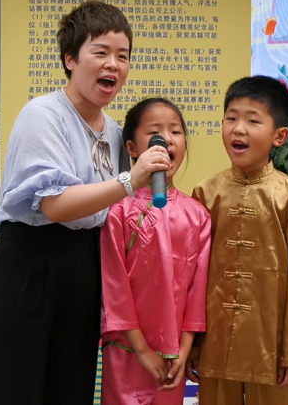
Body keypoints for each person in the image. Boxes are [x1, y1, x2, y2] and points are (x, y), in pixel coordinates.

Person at [0, 1, 171, 405]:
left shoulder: (114, 132)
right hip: (29, 267)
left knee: (72, 391)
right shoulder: (43, 115)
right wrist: (129, 180)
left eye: (123, 56)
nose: (113, 65)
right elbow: (55, 206)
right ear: (70, 59)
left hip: (84, 270)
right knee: (15, 391)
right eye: (101, 52)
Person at [187, 75, 288, 405]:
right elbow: (192, 276)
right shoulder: (205, 193)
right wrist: (191, 344)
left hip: (271, 349)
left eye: (252, 121)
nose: (238, 129)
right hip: (214, 343)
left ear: (279, 136)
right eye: (231, 118)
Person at [99, 97, 211, 405]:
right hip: (126, 353)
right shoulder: (117, 210)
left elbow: (196, 292)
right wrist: (143, 351)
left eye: (175, 131)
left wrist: (184, 351)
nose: (167, 139)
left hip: (173, 358)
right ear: (132, 148)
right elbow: (114, 290)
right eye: (154, 132)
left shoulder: (198, 215)